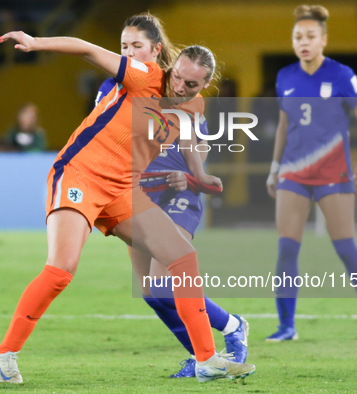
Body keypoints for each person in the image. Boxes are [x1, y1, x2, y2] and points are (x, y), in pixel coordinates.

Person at [0, 22, 256, 384]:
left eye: (191, 84)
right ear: (173, 64)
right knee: (62, 269)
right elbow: (87, 49)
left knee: (182, 257)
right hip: (80, 175)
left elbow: (192, 144)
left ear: (204, 87)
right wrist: (36, 42)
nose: (180, 86)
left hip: (122, 189)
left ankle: (207, 360)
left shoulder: (192, 107)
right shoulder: (144, 74)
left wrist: (201, 175)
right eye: (178, 77)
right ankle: (6, 353)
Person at [94, 13, 249, 379]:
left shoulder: (185, 100)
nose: (130, 52)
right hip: (137, 195)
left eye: (138, 46)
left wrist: (189, 179)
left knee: (166, 283)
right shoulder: (112, 88)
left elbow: (200, 166)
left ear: (155, 49)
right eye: (124, 47)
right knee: (152, 293)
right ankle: (201, 356)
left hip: (176, 196)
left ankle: (231, 327)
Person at [266, 5, 357, 342]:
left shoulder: (342, 74)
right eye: (298, 37)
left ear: (323, 40)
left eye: (310, 37)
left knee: (345, 247)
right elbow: (285, 125)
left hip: (334, 172)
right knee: (287, 248)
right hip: (293, 173)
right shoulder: (285, 76)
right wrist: (275, 168)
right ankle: (286, 326)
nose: (303, 42)